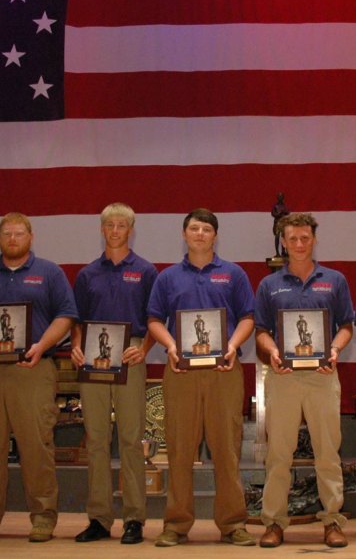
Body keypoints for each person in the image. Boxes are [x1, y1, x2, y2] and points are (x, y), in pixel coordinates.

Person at [0, 213, 78, 542]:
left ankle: (43, 516)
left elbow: (66, 315)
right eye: (7, 233)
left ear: (30, 237)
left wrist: (41, 345)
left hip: (31, 369)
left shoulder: (49, 273)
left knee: (36, 445)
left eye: (19, 233)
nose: (12, 239)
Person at [146, 208, 256, 547]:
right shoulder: (167, 277)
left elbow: (248, 317)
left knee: (227, 449)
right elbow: (154, 320)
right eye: (194, 228)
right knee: (179, 449)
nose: (200, 234)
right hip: (181, 371)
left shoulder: (233, 274)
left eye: (206, 229)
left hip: (224, 370)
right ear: (184, 234)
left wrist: (232, 346)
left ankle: (233, 523)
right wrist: (171, 346)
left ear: (215, 236)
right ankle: (176, 524)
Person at [252, 213, 354, 548]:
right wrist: (273, 352)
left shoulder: (334, 280)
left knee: (327, 452)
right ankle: (274, 522)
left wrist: (335, 350)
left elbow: (346, 326)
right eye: (293, 238)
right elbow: (262, 331)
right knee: (278, 453)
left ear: (314, 239)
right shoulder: (269, 285)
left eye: (305, 238)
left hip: (322, 376)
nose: (299, 244)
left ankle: (332, 520)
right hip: (283, 377)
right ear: (283, 241)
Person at [70, 203, 159, 545]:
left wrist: (145, 348)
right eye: (110, 225)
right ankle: (99, 518)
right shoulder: (87, 274)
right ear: (102, 229)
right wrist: (76, 346)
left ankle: (134, 518)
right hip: (92, 355)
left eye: (122, 225)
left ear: (130, 230)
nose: (116, 231)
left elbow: (155, 318)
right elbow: (76, 321)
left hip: (130, 354)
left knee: (131, 439)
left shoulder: (146, 271)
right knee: (95, 439)